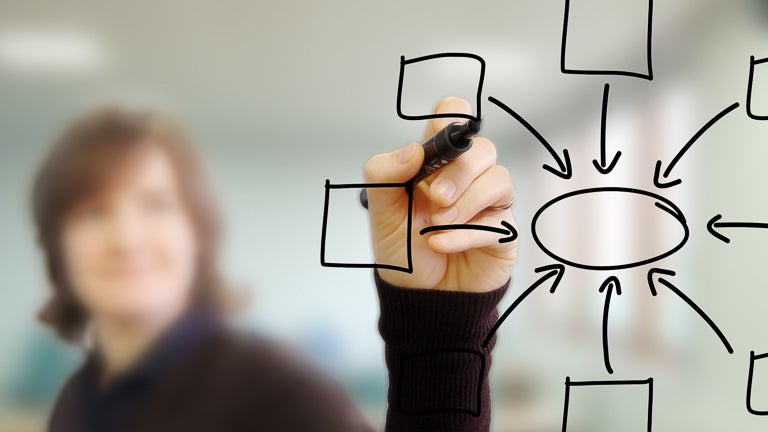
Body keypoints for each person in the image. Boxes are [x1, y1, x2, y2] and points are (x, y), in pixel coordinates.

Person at [33, 96, 517, 432]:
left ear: (198, 232)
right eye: (93, 211)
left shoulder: (270, 387)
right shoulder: (75, 401)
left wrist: (444, 327)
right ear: (57, 242)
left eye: (156, 204)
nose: (127, 238)